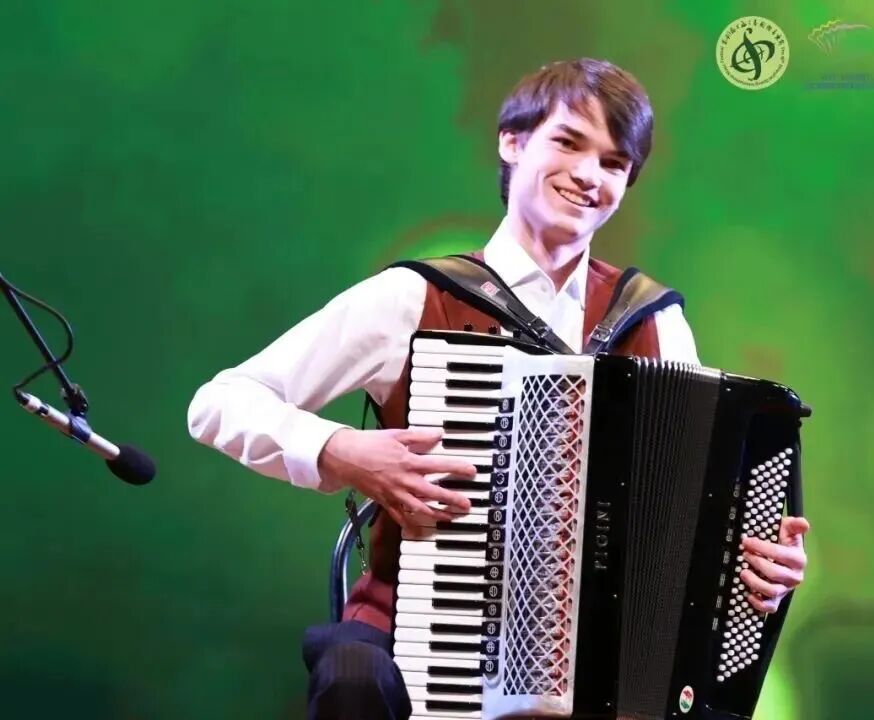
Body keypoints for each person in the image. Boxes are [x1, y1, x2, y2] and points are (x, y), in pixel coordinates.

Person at [187, 57, 811, 720]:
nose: (588, 175)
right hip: (415, 640)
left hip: (604, 677)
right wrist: (344, 451)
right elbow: (220, 403)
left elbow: (696, 520)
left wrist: (757, 569)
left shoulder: (654, 322)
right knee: (351, 676)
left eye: (613, 162)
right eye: (568, 142)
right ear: (512, 143)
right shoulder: (415, 297)